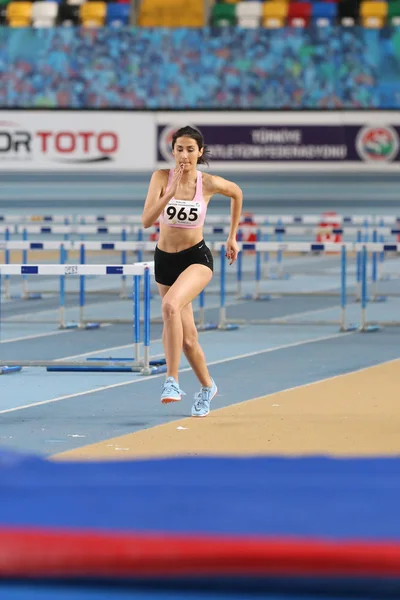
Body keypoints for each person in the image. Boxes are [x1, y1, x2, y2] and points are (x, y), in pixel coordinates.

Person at [141, 126, 243, 417]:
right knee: (187, 339)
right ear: (172, 151)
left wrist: (232, 236)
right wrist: (169, 193)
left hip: (196, 258)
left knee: (170, 306)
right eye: (179, 149)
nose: (184, 155)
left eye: (190, 149)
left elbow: (237, 193)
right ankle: (208, 387)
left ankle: (171, 380)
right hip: (165, 260)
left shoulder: (207, 183)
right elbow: (147, 220)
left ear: (200, 152)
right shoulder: (161, 178)